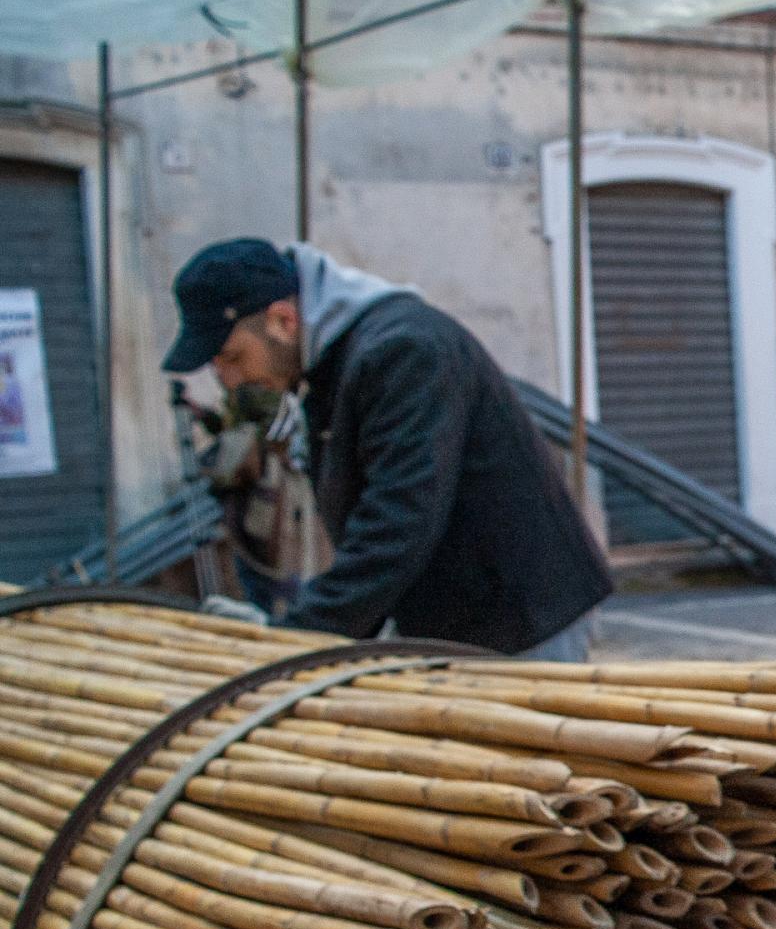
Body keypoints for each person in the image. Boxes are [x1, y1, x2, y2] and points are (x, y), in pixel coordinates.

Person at [163, 238, 613, 658]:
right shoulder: (334, 362)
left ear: (284, 320)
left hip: (523, 618)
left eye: (233, 357)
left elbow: (399, 516)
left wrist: (299, 636)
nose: (229, 381)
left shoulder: (404, 350)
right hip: (457, 614)